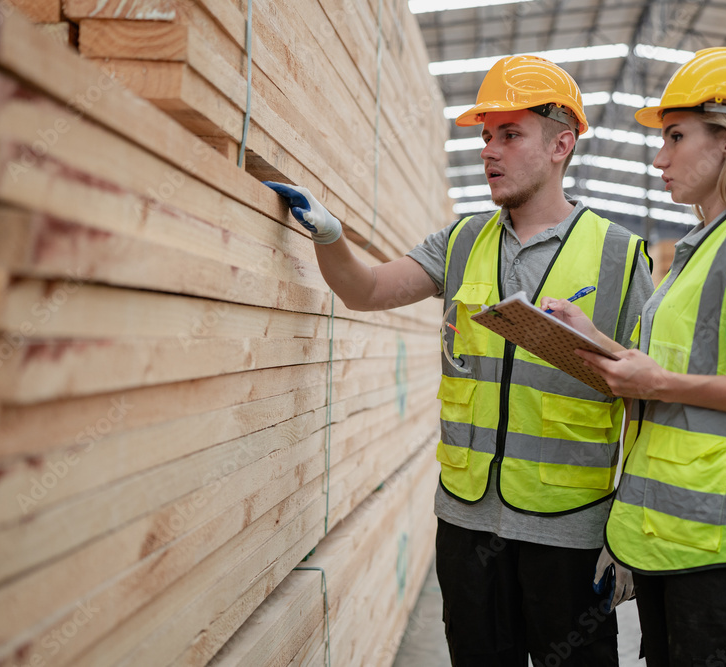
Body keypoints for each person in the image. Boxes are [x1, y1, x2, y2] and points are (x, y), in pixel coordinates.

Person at [265, 55, 654, 666]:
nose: (489, 151)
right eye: (484, 136)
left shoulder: (621, 257)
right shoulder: (461, 242)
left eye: (509, 134)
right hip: (468, 525)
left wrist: (630, 530)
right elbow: (367, 291)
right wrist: (330, 237)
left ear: (561, 144)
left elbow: (646, 400)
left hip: (569, 531)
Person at [542, 47, 726, 666]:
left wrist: (663, 383)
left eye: (676, 136)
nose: (659, 157)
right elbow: (687, 370)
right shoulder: (699, 250)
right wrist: (597, 341)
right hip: (679, 547)